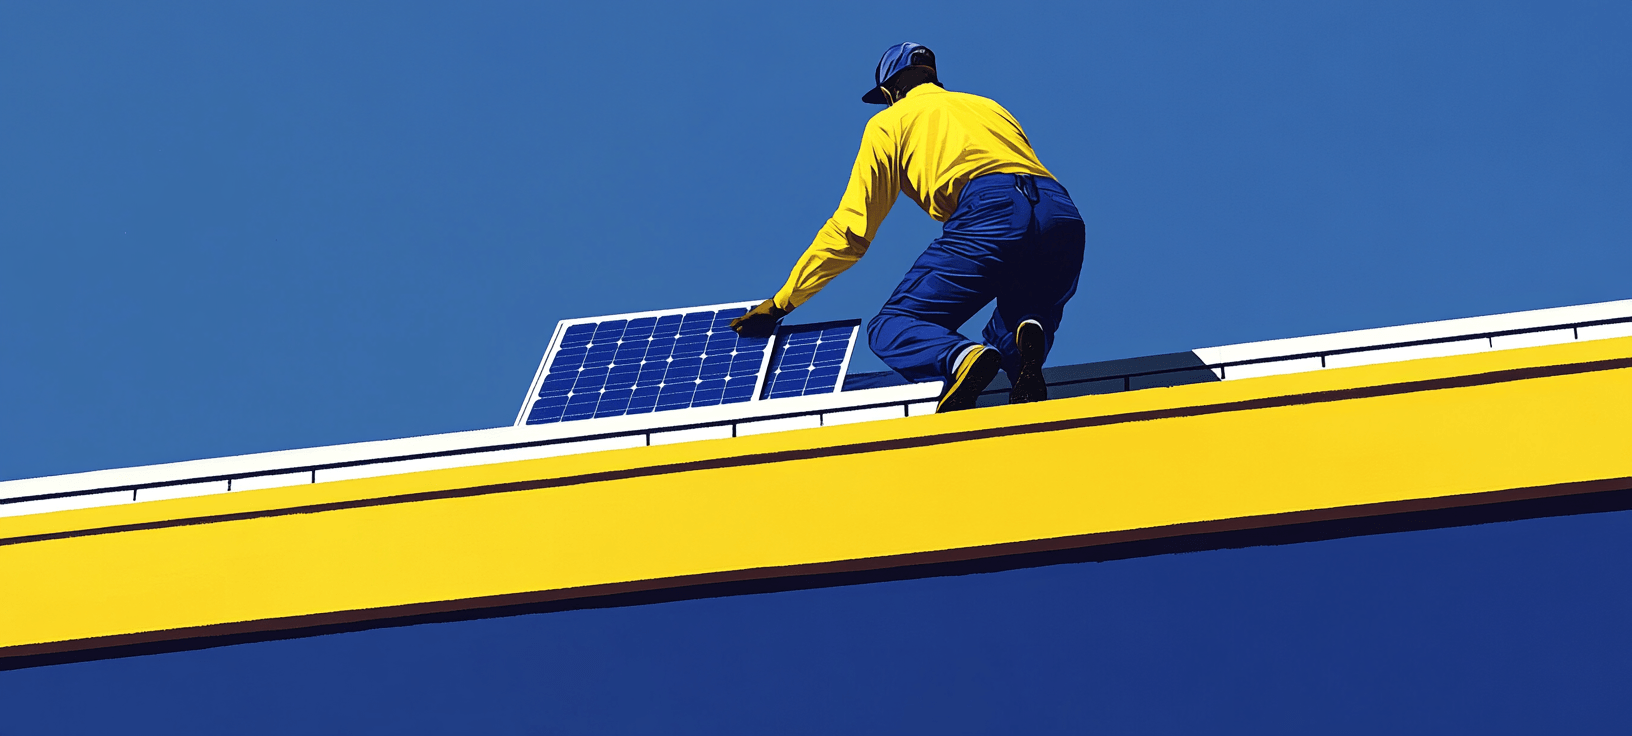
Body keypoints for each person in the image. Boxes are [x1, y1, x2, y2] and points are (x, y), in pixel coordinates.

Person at [731, 42, 1084, 412]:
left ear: (890, 91)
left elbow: (851, 231)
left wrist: (781, 302)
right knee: (1021, 308)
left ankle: (961, 357)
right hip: (1060, 213)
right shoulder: (988, 106)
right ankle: (1028, 335)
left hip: (988, 208)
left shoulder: (889, 122)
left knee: (894, 324)